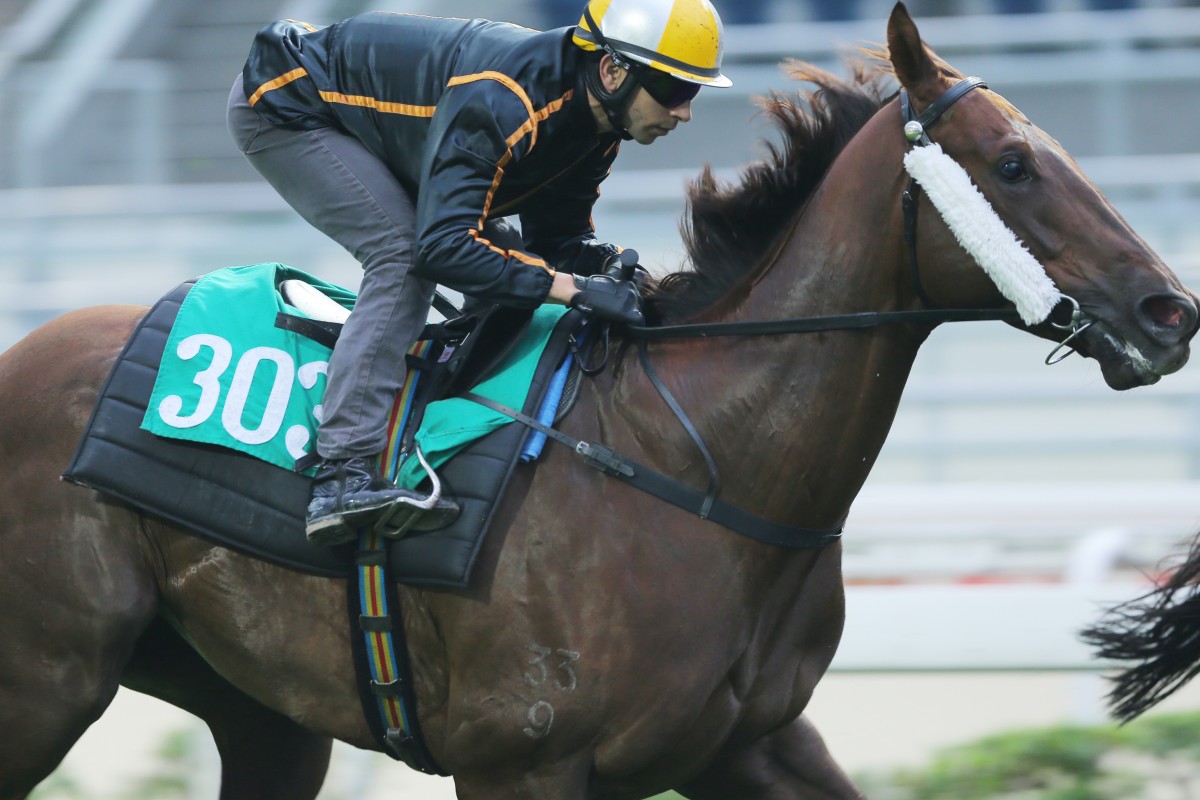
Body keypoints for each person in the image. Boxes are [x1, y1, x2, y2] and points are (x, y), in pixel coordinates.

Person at [227, 0, 732, 545]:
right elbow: (441, 249)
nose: (685, 112)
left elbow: (555, 243)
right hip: (289, 104)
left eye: (694, 93)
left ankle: (439, 423)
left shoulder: (597, 125)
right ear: (613, 71)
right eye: (675, 90)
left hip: (386, 127)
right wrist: (571, 287)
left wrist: (606, 269)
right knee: (402, 255)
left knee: (511, 263)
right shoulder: (505, 99)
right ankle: (341, 474)